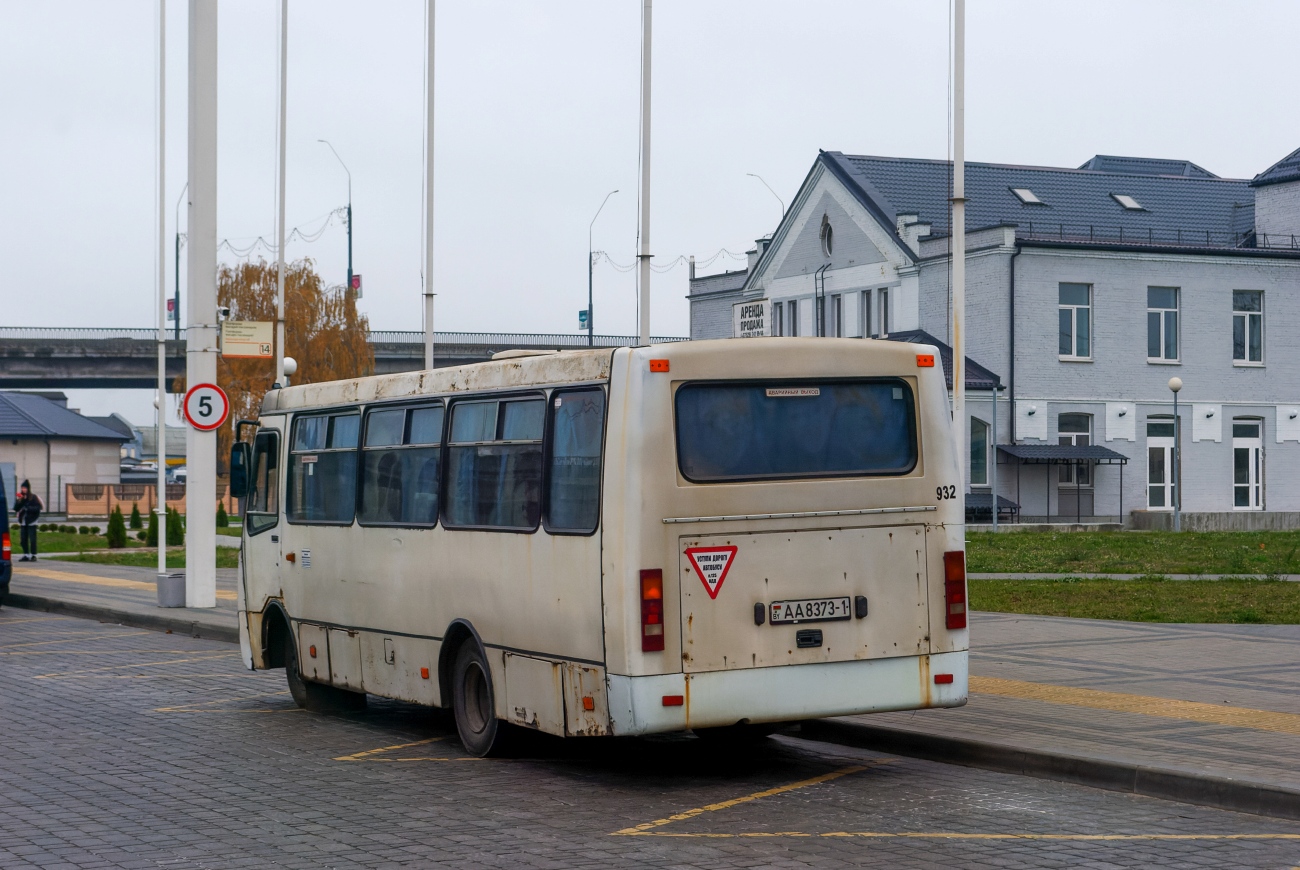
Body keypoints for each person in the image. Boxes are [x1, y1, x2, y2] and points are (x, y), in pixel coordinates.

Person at [14, 480, 44, 562]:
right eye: (22, 488)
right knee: (23, 539)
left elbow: (38, 508)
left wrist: (28, 508)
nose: (23, 489)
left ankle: (33, 555)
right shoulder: (21, 497)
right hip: (23, 521)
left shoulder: (33, 497)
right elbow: (16, 508)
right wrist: (20, 501)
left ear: (28, 488)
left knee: (32, 539)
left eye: (25, 488)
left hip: (31, 521)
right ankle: (26, 554)